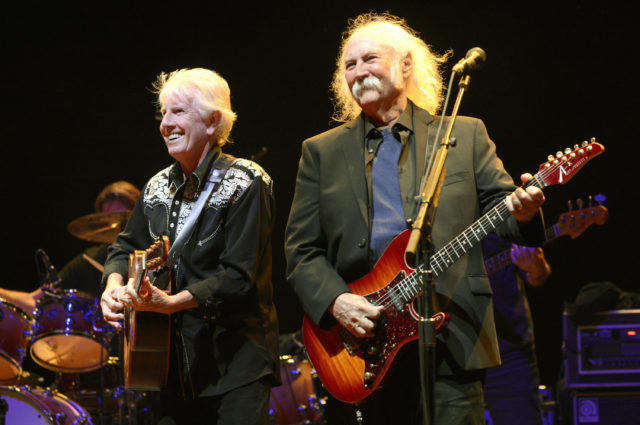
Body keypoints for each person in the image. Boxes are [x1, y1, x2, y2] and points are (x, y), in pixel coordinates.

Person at [284, 13, 546, 425]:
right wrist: (336, 301)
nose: (358, 71)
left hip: (453, 340)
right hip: (362, 344)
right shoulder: (321, 152)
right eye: (348, 65)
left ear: (406, 65)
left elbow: (506, 215)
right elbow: (301, 251)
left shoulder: (465, 134)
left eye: (369, 58)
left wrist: (526, 210)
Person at [99, 68, 279, 425]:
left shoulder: (247, 181)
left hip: (235, 367)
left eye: (177, 112)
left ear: (213, 121)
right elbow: (123, 247)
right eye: (162, 113)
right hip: (170, 371)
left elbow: (238, 275)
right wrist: (112, 286)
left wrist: (173, 303)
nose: (165, 123)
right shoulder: (155, 187)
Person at [0, 180, 140, 315]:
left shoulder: (154, 258)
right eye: (109, 220)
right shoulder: (90, 259)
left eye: (125, 220)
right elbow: (36, 300)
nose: (118, 227)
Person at [482, 234, 551, 425]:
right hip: (451, 352)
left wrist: (537, 267)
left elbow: (539, 276)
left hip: (508, 351)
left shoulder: (501, 209)